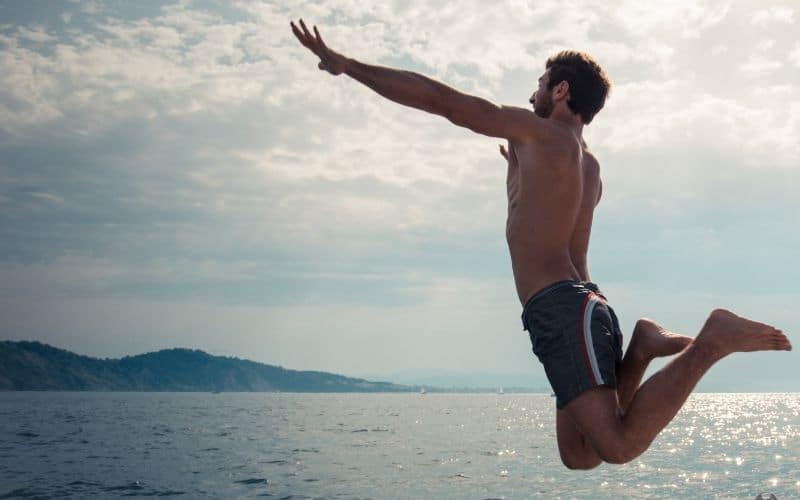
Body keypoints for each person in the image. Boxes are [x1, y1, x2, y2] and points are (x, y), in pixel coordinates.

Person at [290, 19, 792, 468]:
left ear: (560, 91)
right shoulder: (589, 168)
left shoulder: (537, 134)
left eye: (539, 83)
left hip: (558, 308)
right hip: (586, 304)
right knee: (579, 456)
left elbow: (443, 102)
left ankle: (712, 340)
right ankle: (638, 349)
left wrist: (347, 65)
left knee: (615, 447)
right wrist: (515, 185)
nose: (533, 92)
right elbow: (573, 255)